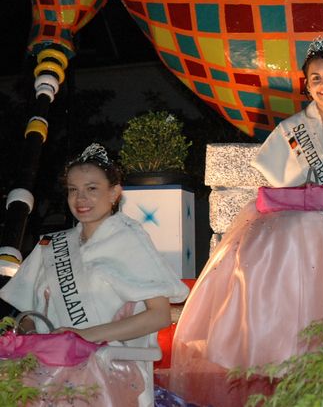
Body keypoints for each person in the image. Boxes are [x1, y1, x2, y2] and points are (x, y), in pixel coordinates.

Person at [169, 36, 323, 405]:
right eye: (315, 78)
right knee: (286, 235)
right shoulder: (296, 129)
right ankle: (281, 350)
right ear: (306, 85)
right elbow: (280, 178)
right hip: (303, 216)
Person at [0, 143, 190, 407]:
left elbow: (158, 315)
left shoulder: (130, 240)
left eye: (91, 189)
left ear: (114, 193)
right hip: (45, 368)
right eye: (73, 190)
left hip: (107, 370)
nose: (80, 199)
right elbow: (28, 313)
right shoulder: (52, 245)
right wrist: (30, 334)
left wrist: (81, 336)